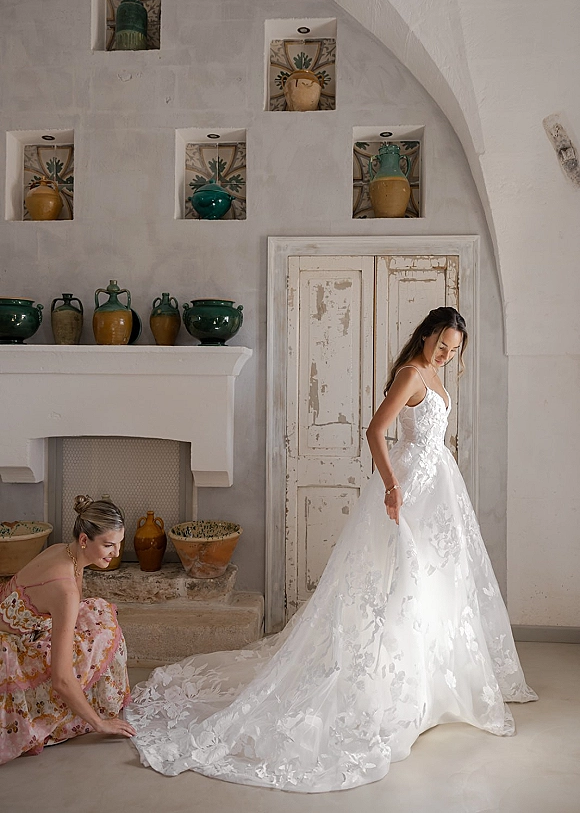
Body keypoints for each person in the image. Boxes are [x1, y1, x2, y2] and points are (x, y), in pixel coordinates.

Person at [127, 307, 537, 792]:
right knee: (398, 582)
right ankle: (393, 690)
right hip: (407, 488)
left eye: (455, 351)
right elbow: (375, 431)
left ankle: (429, 686)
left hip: (437, 492)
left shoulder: (432, 374)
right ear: (426, 336)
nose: (447, 356)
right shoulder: (410, 374)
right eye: (442, 346)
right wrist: (391, 486)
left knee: (433, 584)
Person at [0, 495, 135, 764]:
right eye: (108, 545)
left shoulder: (65, 550)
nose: (116, 554)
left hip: (28, 627)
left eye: (119, 545)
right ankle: (82, 711)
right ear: (85, 540)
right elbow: (61, 678)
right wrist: (100, 724)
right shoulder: (65, 590)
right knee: (103, 634)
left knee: (99, 613)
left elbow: (74, 602)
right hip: (10, 651)